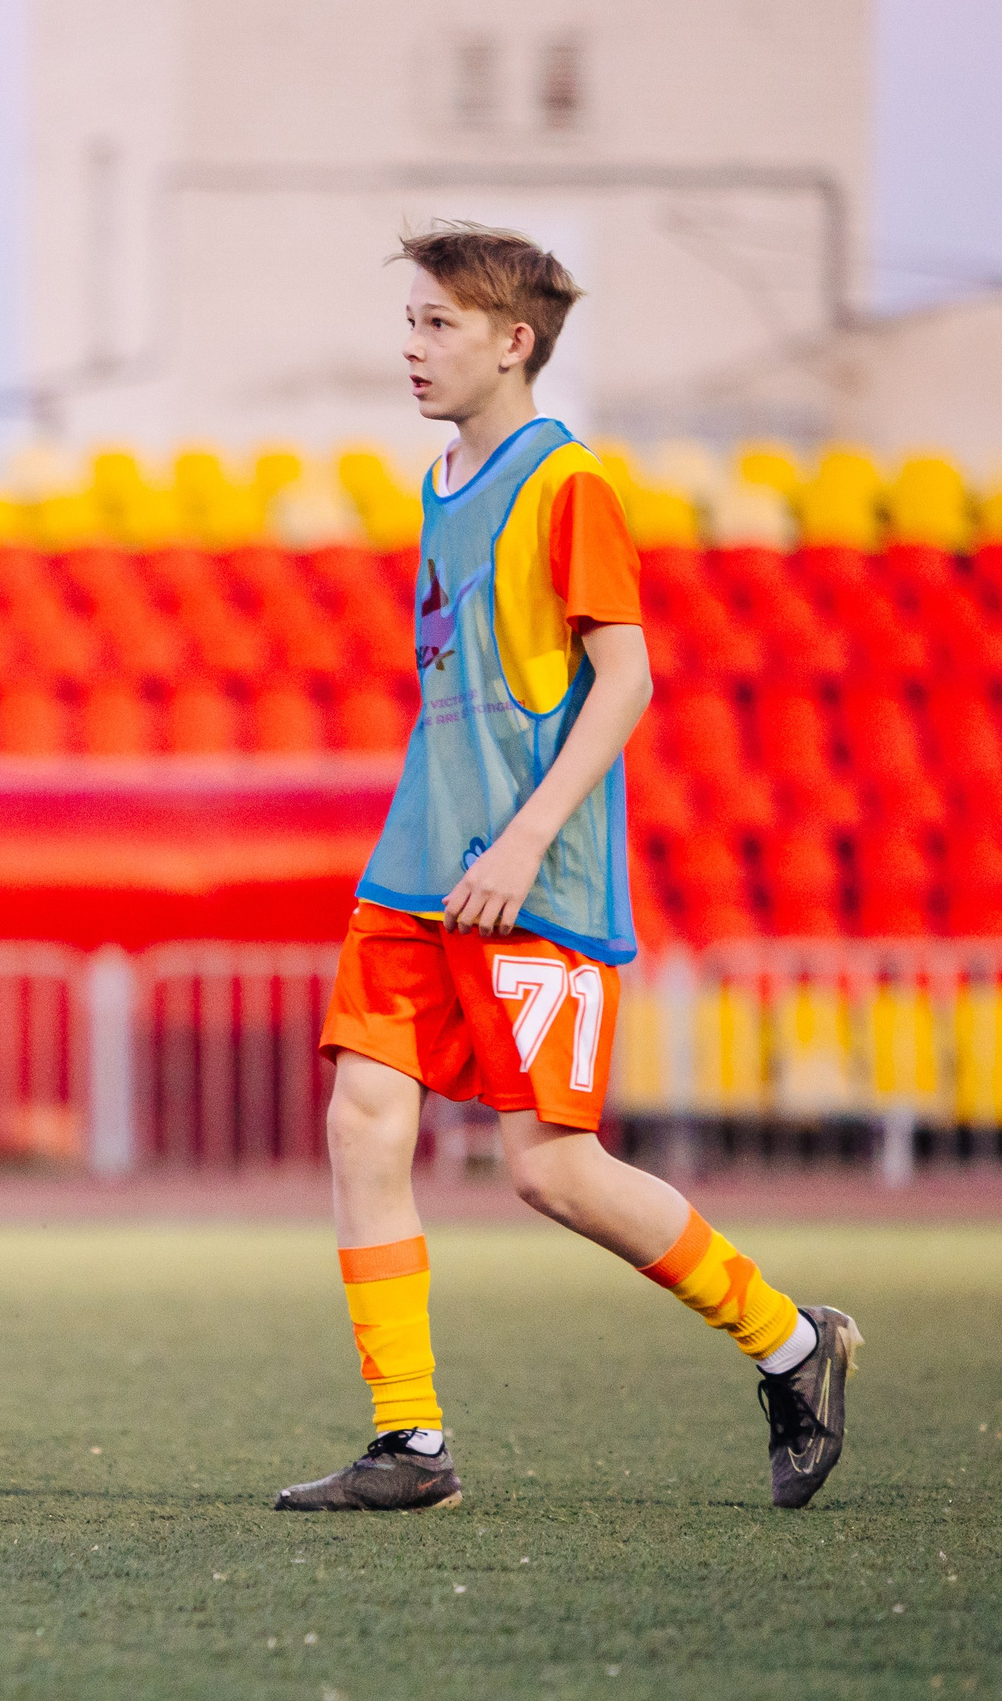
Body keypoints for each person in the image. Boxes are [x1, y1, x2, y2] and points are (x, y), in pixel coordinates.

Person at [276, 223, 857, 1513]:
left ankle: (791, 1344)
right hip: (415, 867)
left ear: (513, 342)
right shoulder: (437, 481)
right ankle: (410, 1445)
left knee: (548, 1167)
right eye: (410, 320)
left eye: (437, 324)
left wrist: (528, 836)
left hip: (529, 874)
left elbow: (629, 677)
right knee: (363, 1119)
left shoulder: (566, 481)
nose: (410, 345)